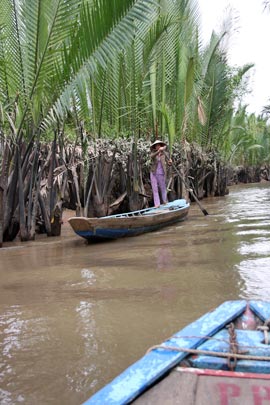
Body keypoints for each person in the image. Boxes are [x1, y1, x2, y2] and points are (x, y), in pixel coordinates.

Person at [150, 140, 172, 208]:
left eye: (159, 145)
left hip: (161, 173)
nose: (157, 147)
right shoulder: (153, 153)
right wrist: (158, 152)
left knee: (163, 188)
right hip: (153, 173)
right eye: (156, 146)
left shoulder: (165, 154)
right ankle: (157, 204)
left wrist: (170, 163)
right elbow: (152, 156)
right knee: (155, 188)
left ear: (161, 146)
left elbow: (168, 163)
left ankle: (165, 201)